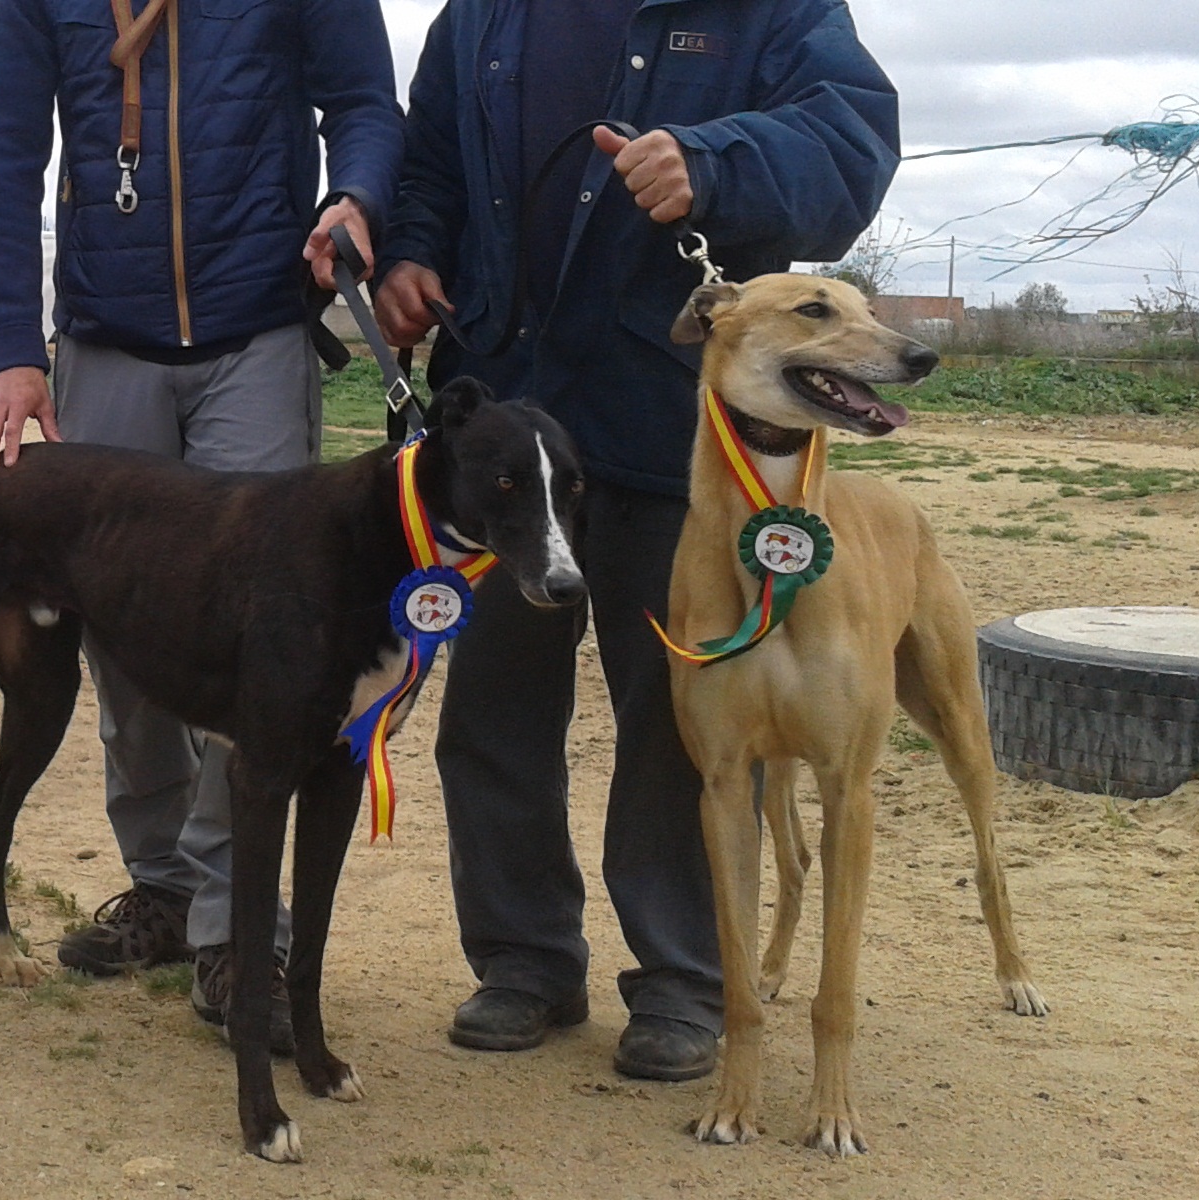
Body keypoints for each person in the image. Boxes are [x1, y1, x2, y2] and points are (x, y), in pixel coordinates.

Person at [372, 0, 899, 1079]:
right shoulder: (480, 15)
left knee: (681, 724)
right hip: (512, 448)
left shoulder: (773, 11)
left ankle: (684, 982)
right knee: (493, 714)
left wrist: (716, 163)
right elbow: (428, 159)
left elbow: (854, 139)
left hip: (675, 436)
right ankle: (522, 963)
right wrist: (412, 256)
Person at [0, 0, 405, 1045]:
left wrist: (355, 194)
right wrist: (10, 350)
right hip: (103, 341)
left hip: (256, 332)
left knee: (262, 634)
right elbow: (2, 156)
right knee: (120, 632)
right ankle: (159, 885)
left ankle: (230, 924)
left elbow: (363, 104)